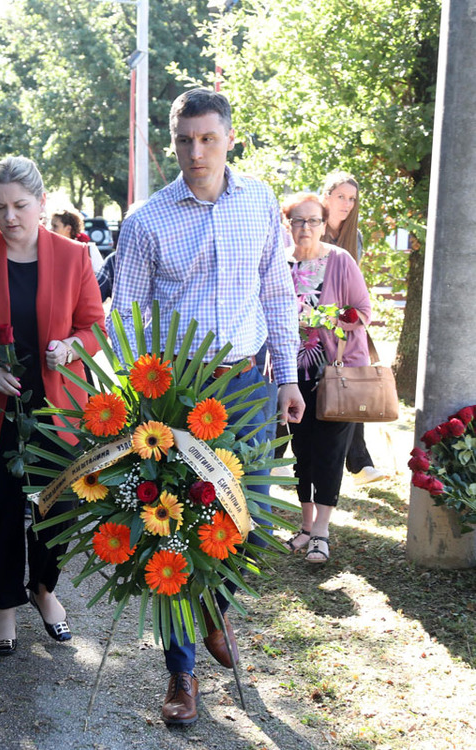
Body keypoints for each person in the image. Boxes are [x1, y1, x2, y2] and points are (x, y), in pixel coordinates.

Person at [109, 89, 304, 727]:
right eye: (186, 140)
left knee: (245, 518)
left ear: (227, 138)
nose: (197, 152)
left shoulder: (260, 203)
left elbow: (277, 291)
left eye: (208, 139)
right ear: (172, 143)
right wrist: (133, 399)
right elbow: (127, 319)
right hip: (176, 395)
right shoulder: (146, 220)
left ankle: (215, 605)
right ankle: (181, 672)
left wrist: (288, 378)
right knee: (173, 524)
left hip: (246, 385)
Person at [0, 156, 105, 656]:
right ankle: (4, 606)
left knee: (62, 507)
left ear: (42, 203)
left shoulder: (75, 256)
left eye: (20, 206)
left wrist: (71, 347)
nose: (9, 217)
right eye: (0, 207)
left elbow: (93, 325)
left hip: (58, 409)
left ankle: (43, 588)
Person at [281, 193, 371, 564]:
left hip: (338, 374)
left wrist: (325, 319)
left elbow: (362, 311)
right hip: (291, 372)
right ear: (288, 225)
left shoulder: (340, 261)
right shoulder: (278, 264)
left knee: (331, 454)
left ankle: (322, 531)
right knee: (302, 451)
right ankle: (304, 526)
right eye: (298, 221)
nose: (306, 228)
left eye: (314, 221)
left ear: (323, 223)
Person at [320, 171, 385, 486]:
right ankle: (280, 458)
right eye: (341, 196)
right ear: (327, 195)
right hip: (312, 323)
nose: (346, 204)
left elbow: (354, 286)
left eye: (351, 199)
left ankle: (359, 464)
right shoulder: (311, 227)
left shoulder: (353, 237)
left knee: (353, 387)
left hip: (344, 325)